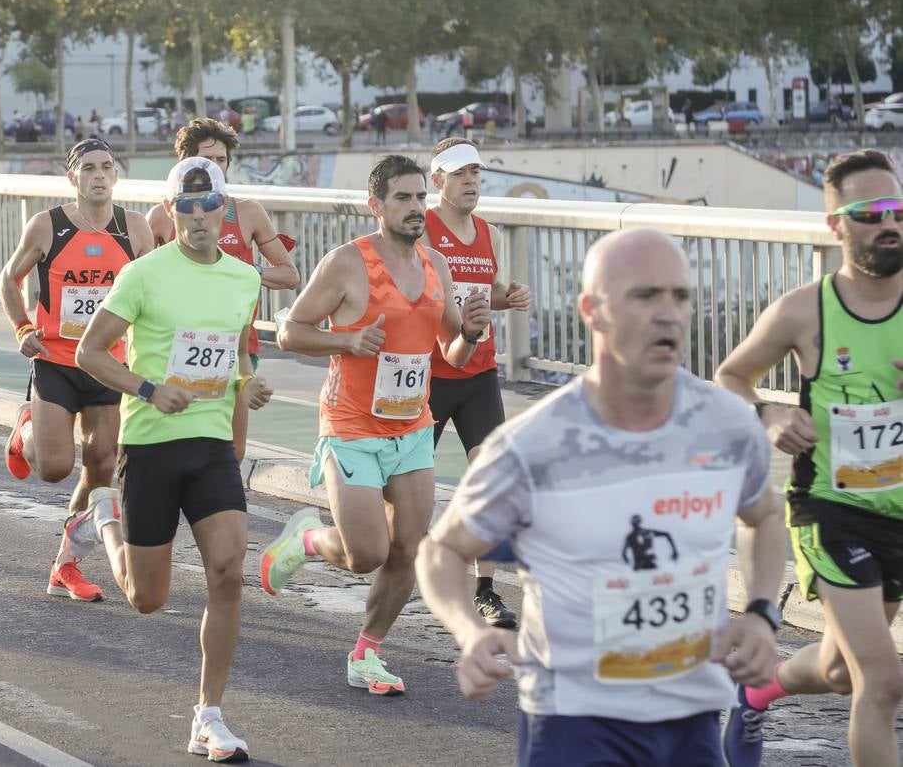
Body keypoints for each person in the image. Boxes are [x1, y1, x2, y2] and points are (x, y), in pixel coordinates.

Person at [415, 226, 786, 767]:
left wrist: (759, 613)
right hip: (575, 724)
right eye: (644, 295)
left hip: (692, 719)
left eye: (680, 296)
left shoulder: (726, 424)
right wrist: (469, 630)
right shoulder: (534, 445)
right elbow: (441, 551)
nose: (668, 313)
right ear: (592, 310)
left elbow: (763, 516)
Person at [261, 155, 490, 697]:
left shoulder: (437, 265)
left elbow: (452, 354)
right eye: (403, 199)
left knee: (408, 546)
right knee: (368, 553)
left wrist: (474, 335)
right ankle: (307, 539)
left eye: (420, 199)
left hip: (411, 425)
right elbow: (290, 332)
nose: (416, 209)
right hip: (352, 425)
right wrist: (345, 340)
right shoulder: (347, 263)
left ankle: (367, 652)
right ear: (376, 206)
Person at [69, 157, 270, 763]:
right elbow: (89, 352)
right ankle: (103, 514)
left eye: (211, 206)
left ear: (226, 210)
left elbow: (236, 357)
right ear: (170, 212)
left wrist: (247, 383)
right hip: (150, 444)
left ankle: (208, 715)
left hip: (209, 446)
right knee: (147, 598)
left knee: (229, 571)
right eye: (187, 206)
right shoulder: (142, 275)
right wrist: (149, 389)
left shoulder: (244, 279)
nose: (200, 217)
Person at [714, 149, 903, 767]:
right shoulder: (805, 311)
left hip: (897, 509)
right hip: (830, 509)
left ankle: (758, 688)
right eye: (871, 213)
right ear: (836, 226)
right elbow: (731, 375)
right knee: (883, 680)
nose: (889, 224)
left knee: (842, 672)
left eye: (897, 209)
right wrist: (766, 416)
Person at [0, 138, 155, 603]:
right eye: (89, 168)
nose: (99, 175)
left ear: (116, 175)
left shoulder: (136, 229)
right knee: (53, 468)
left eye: (107, 167)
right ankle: (25, 429)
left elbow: (152, 291)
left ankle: (66, 564)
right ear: (73, 177)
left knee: (103, 465)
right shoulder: (49, 226)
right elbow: (10, 278)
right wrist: (22, 326)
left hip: (108, 362)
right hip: (56, 359)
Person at [422, 137, 533, 630]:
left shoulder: (484, 230)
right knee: (404, 492)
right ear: (437, 181)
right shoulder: (420, 226)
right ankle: (396, 563)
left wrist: (509, 295)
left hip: (479, 372)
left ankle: (486, 591)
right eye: (460, 173)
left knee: (491, 480)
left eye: (477, 173)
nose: (471, 181)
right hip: (426, 374)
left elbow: (481, 290)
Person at [146, 118, 300, 463]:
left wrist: (242, 271)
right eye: (207, 159)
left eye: (222, 160)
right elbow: (141, 278)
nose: (216, 167)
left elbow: (289, 275)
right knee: (176, 446)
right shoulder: (161, 216)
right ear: (186, 164)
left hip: (238, 346)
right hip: (174, 345)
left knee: (231, 452)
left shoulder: (247, 213)